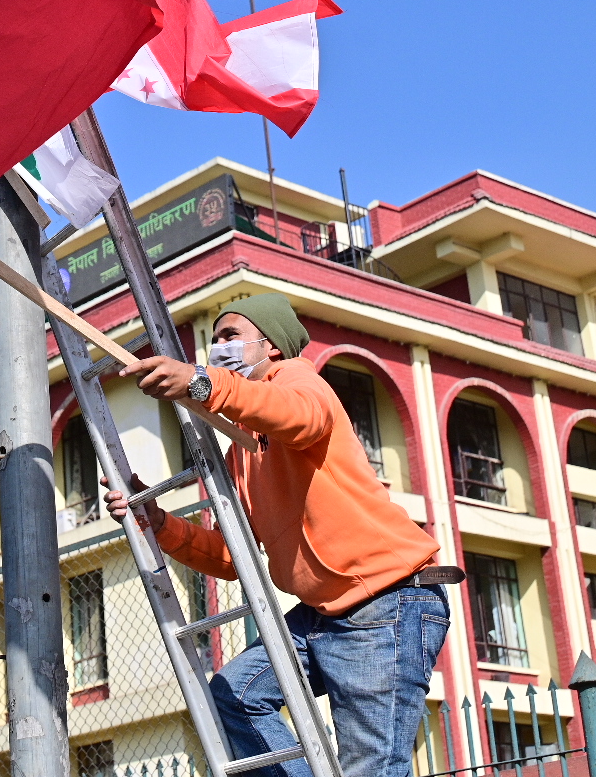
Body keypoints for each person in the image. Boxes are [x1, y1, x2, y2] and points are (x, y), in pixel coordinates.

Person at [107, 292, 458, 777]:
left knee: (370, 770)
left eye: (230, 336)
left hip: (386, 604)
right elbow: (233, 558)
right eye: (214, 342)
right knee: (234, 695)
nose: (218, 349)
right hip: (322, 613)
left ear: (270, 345)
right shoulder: (245, 449)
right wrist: (160, 523)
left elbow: (302, 417)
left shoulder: (297, 379)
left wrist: (203, 382)